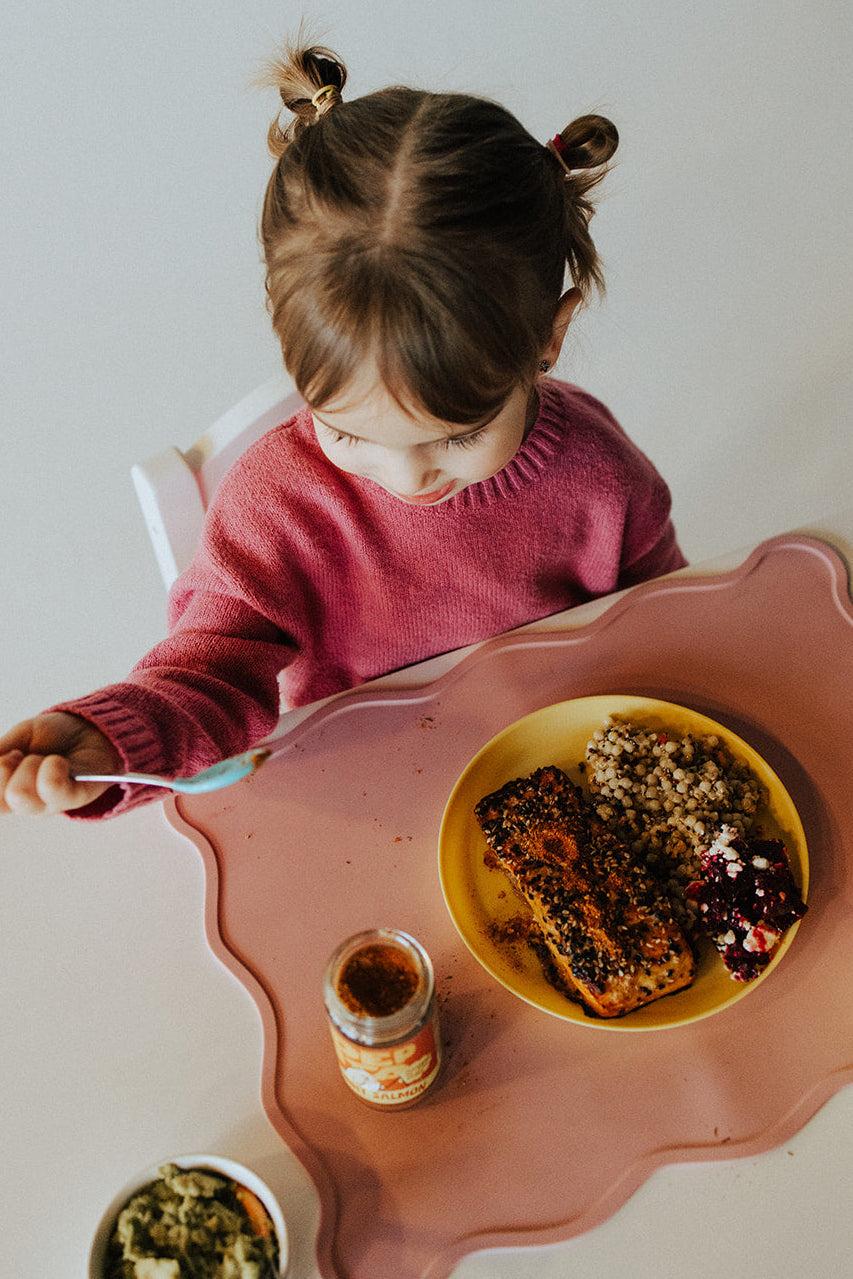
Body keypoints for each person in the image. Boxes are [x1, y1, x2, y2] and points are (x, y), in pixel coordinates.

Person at [0, 41, 686, 819]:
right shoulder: (272, 507)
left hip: (561, 753)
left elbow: (665, 618)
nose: (406, 479)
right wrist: (116, 740)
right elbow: (209, 674)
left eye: (456, 436)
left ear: (547, 338)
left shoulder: (599, 475)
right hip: (365, 782)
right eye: (347, 432)